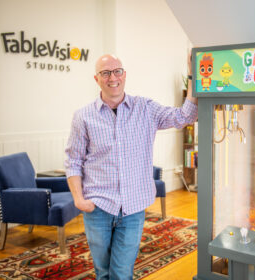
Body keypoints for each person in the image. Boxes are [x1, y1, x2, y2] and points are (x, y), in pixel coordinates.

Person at [64, 54, 197, 280]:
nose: (112, 77)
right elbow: (73, 161)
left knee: (122, 272)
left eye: (117, 71)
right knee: (103, 272)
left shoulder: (145, 109)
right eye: (105, 73)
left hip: (133, 208)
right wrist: (78, 199)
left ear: (124, 75)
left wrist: (193, 74)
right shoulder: (83, 117)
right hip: (98, 207)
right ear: (96, 79)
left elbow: (184, 116)